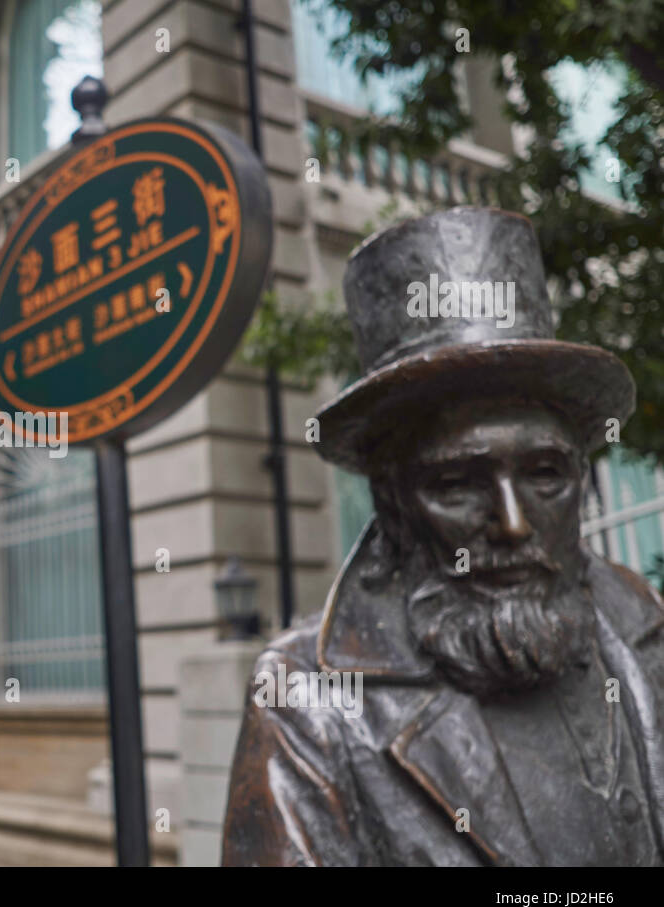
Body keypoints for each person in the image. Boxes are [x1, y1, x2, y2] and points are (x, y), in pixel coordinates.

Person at [223, 207, 664, 865]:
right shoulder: (308, 701)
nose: (513, 525)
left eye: (545, 475)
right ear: (395, 505)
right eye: (457, 484)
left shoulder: (644, 630)